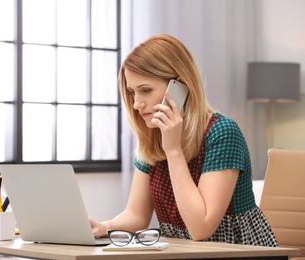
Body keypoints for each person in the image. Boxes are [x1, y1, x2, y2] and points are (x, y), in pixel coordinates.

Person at [90, 34, 278, 246]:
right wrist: (104, 227)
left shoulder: (223, 133)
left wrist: (173, 151)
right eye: (132, 92)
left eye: (146, 90)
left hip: (237, 249)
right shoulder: (153, 136)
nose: (137, 104)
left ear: (180, 86)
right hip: (183, 250)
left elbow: (201, 228)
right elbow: (136, 214)